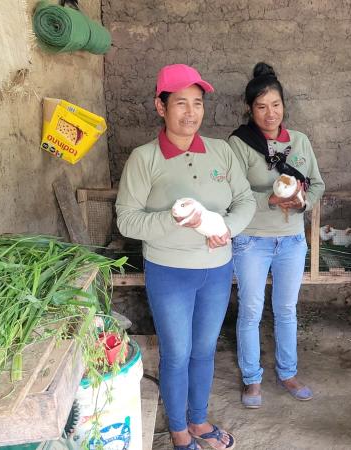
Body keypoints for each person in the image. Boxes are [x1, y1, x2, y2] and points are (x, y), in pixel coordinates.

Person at [116, 64, 255, 450]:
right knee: (177, 353)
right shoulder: (144, 159)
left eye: (197, 103)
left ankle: (198, 420)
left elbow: (244, 200)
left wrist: (227, 229)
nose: (190, 112)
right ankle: (178, 429)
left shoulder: (221, 151)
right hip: (170, 272)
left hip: (216, 269)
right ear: (160, 107)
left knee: (205, 350)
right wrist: (175, 221)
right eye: (180, 103)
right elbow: (127, 220)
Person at [228, 62, 325, 408]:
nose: (270, 114)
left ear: (284, 106)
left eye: (276, 105)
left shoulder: (299, 141)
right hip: (251, 240)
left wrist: (302, 202)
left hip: (291, 240)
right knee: (251, 311)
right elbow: (232, 194)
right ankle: (252, 379)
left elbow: (317, 182)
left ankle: (288, 373)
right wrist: (268, 199)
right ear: (250, 109)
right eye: (261, 107)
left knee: (286, 310)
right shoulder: (239, 144)